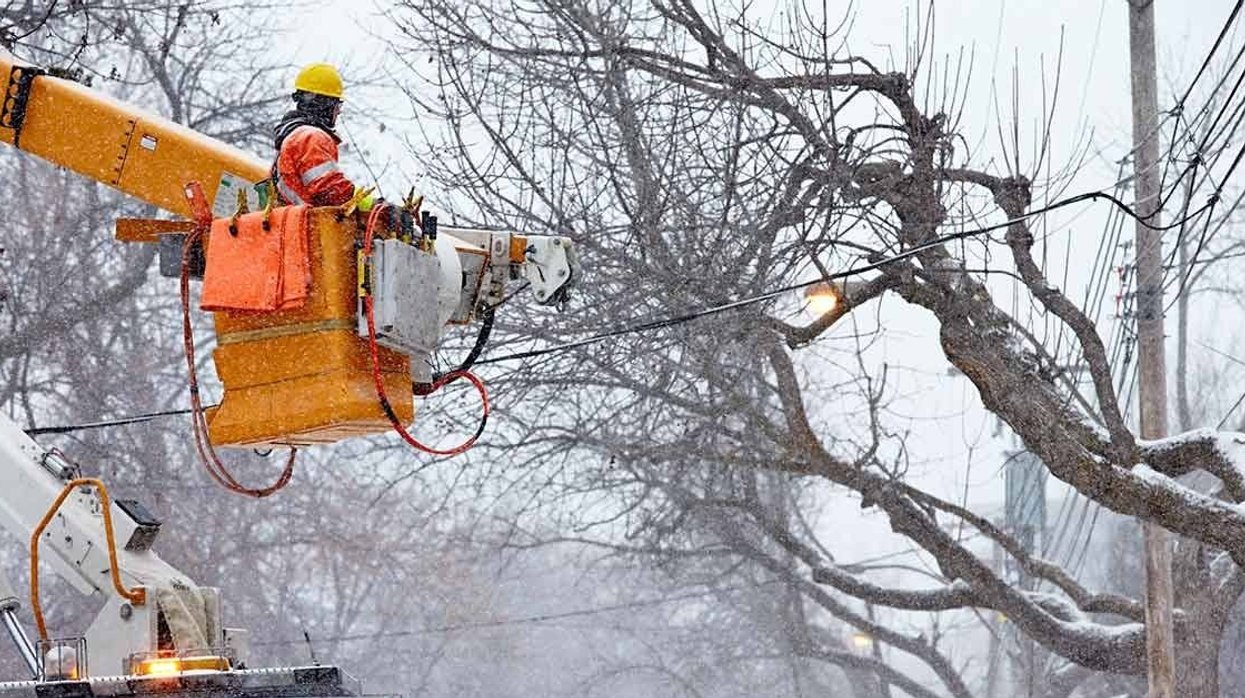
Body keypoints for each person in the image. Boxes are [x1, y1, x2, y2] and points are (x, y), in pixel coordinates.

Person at [270, 63, 371, 209]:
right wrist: (378, 208)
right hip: (306, 228)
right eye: (338, 106)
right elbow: (332, 191)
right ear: (326, 105)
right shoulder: (312, 137)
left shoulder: (292, 137)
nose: (339, 112)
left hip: (292, 224)